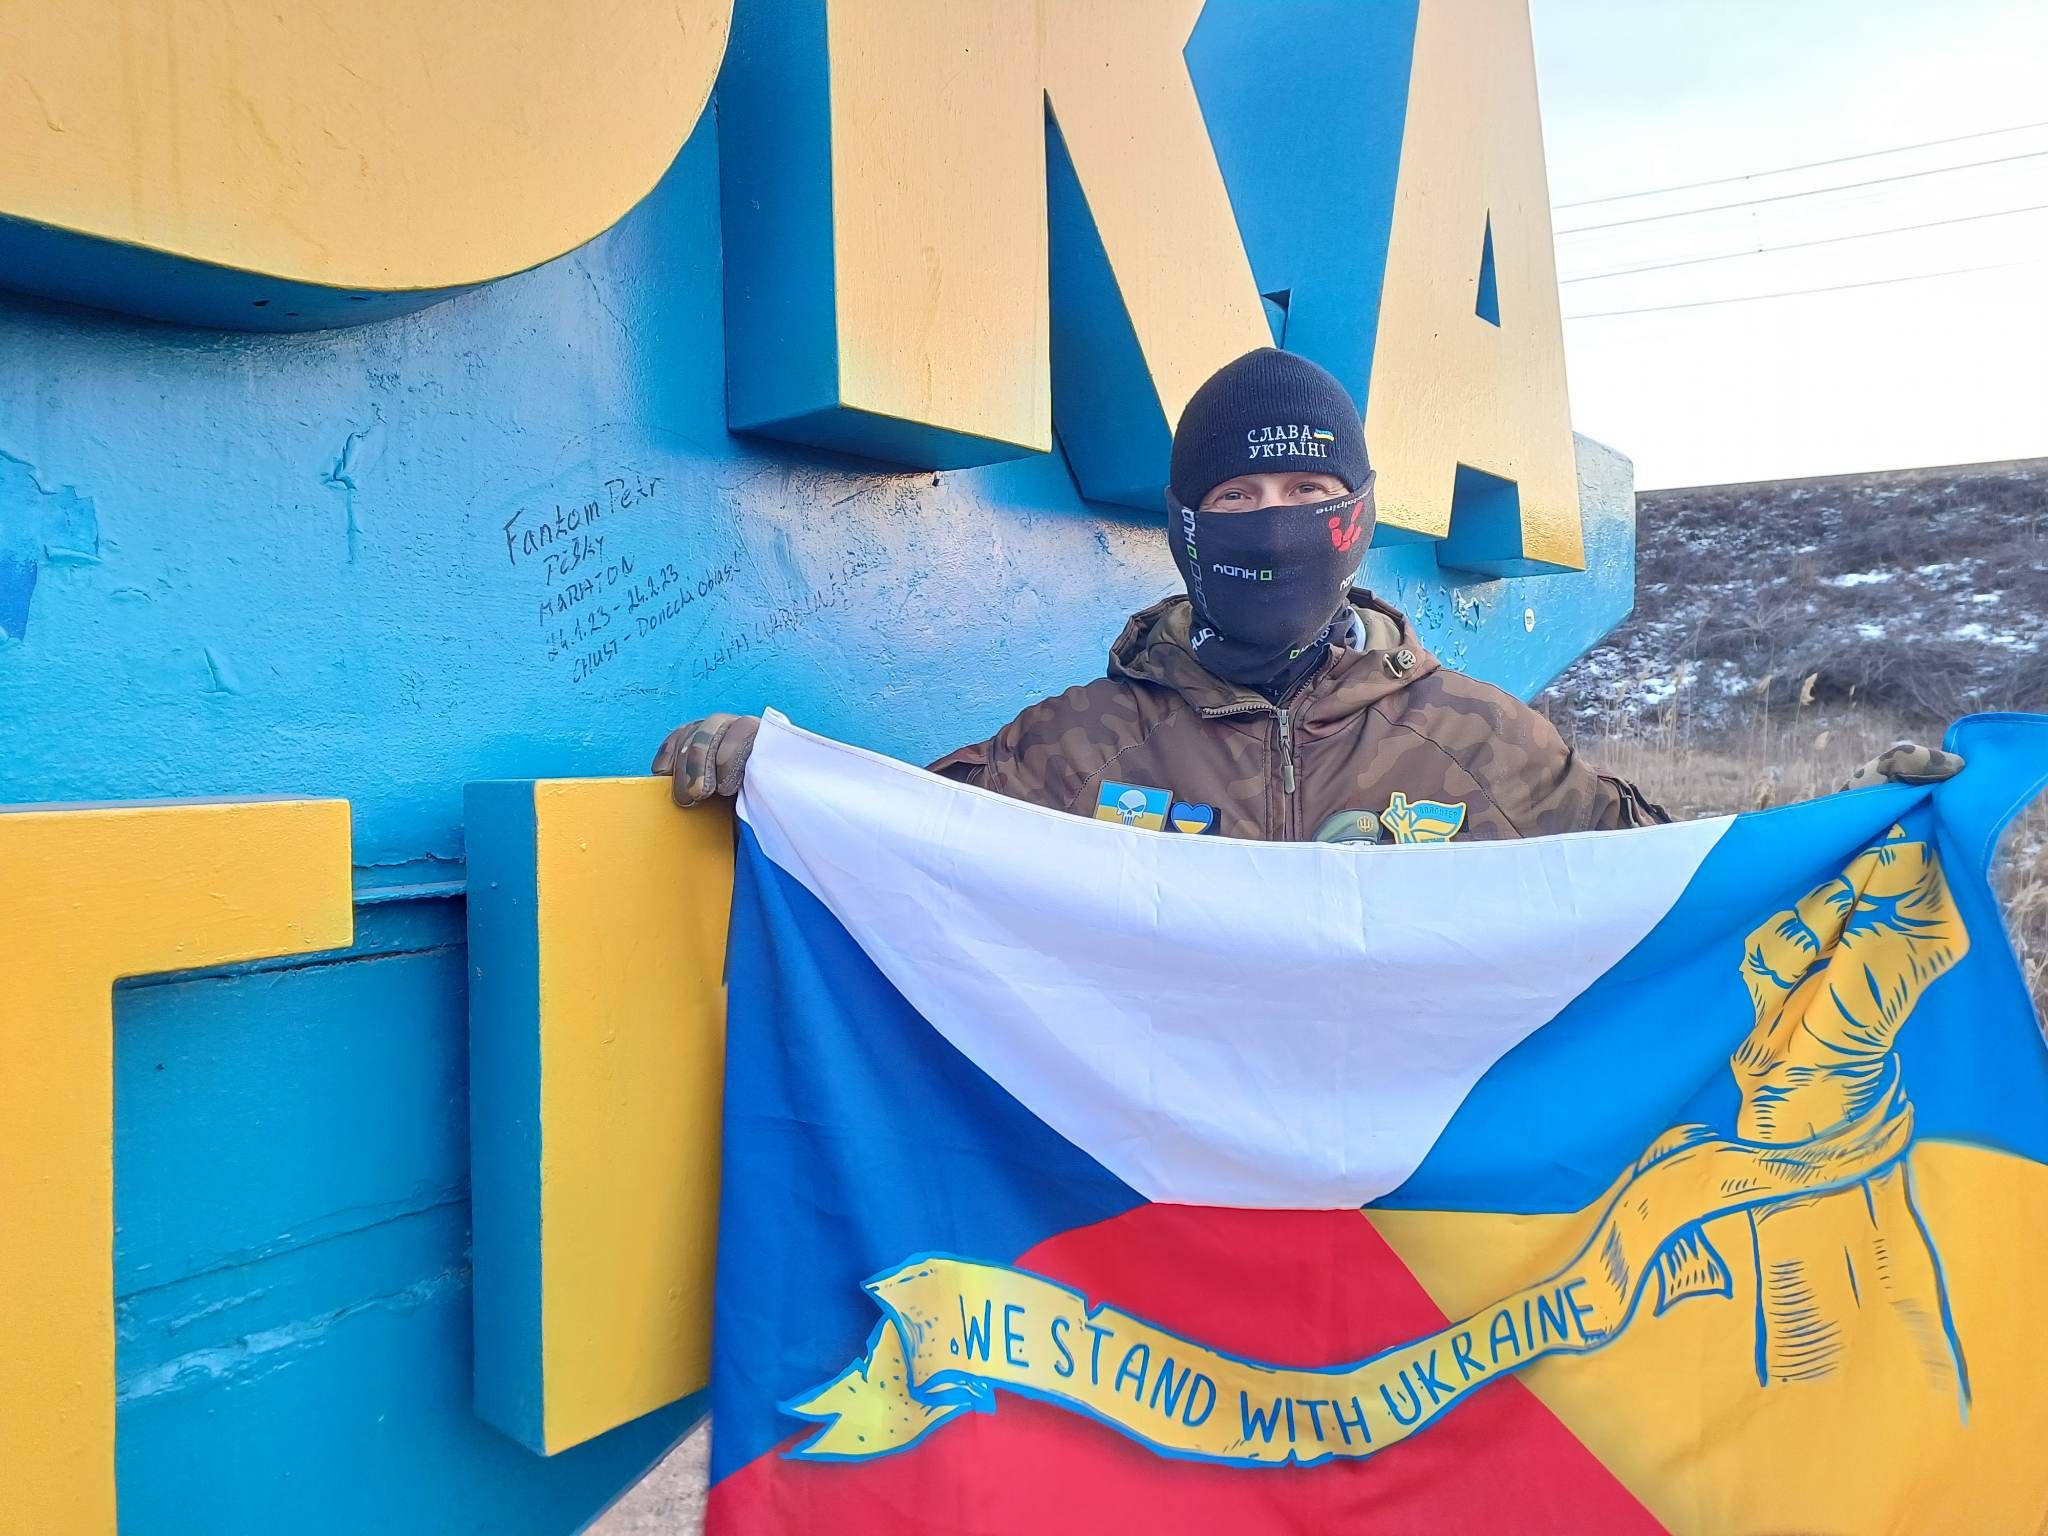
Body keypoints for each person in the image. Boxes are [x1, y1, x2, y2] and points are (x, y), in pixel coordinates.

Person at [654, 348, 1960, 840]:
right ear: (1184, 528)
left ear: (1359, 522)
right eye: (1237, 498)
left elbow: (1673, 878)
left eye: (1307, 496)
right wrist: (781, 774)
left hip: (1404, 1249)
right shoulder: (1073, 752)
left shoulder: (1483, 746)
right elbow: (905, 844)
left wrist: (1855, 823)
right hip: (1156, 1243)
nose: (1274, 526)